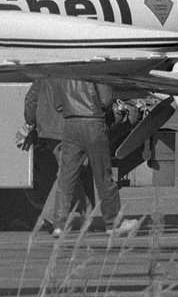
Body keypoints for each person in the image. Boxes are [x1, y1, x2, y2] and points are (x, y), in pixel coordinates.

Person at [46, 78, 139, 237]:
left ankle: (59, 224)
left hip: (70, 124)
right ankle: (112, 222)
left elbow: (58, 104)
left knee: (66, 176)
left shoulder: (62, 70)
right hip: (93, 122)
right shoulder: (94, 67)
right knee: (103, 175)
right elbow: (105, 100)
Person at [19, 79, 93, 236]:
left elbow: (31, 99)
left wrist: (29, 124)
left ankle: (88, 211)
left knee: (71, 170)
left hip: (48, 130)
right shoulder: (75, 75)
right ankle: (50, 216)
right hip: (69, 128)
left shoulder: (46, 73)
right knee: (68, 171)